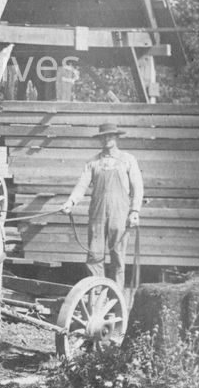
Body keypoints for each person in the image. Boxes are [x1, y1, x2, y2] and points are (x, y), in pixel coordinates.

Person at [62, 121, 144, 285]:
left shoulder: (128, 160)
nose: (106, 139)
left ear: (116, 137)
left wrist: (135, 211)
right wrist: (70, 202)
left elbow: (138, 187)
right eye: (103, 137)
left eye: (110, 136)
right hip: (97, 215)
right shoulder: (93, 162)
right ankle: (96, 293)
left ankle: (115, 294)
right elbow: (81, 185)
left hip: (120, 215)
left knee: (118, 256)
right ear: (99, 139)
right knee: (94, 255)